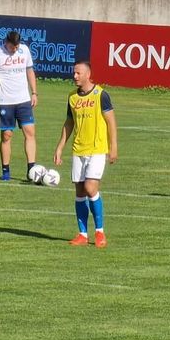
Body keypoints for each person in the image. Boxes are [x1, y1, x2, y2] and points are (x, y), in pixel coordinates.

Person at [53, 61, 118, 248]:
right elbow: (69, 123)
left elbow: (111, 121)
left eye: (78, 73)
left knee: (90, 188)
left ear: (88, 74)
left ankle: (99, 233)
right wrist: (59, 147)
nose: (74, 76)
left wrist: (113, 146)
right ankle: (82, 234)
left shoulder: (101, 95)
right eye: (74, 73)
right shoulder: (72, 97)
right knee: (80, 191)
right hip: (78, 149)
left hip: (97, 149)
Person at [0, 30, 39, 180]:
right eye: (12, 47)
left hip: (23, 100)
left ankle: (32, 170)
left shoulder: (25, 50)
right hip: (5, 101)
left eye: (17, 47)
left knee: (30, 132)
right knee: (6, 135)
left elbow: (29, 71)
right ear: (7, 42)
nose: (15, 50)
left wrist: (34, 92)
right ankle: (6, 171)